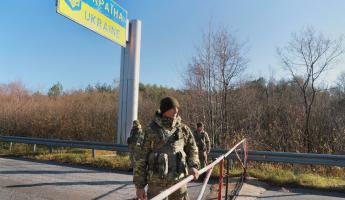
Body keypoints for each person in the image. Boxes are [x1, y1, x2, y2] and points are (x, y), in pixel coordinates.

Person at [133, 96, 200, 200]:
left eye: (177, 108)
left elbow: (193, 149)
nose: (176, 110)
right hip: (156, 185)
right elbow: (140, 158)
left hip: (179, 182)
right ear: (164, 110)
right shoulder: (150, 130)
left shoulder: (183, 129)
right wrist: (140, 186)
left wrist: (194, 165)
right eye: (172, 108)